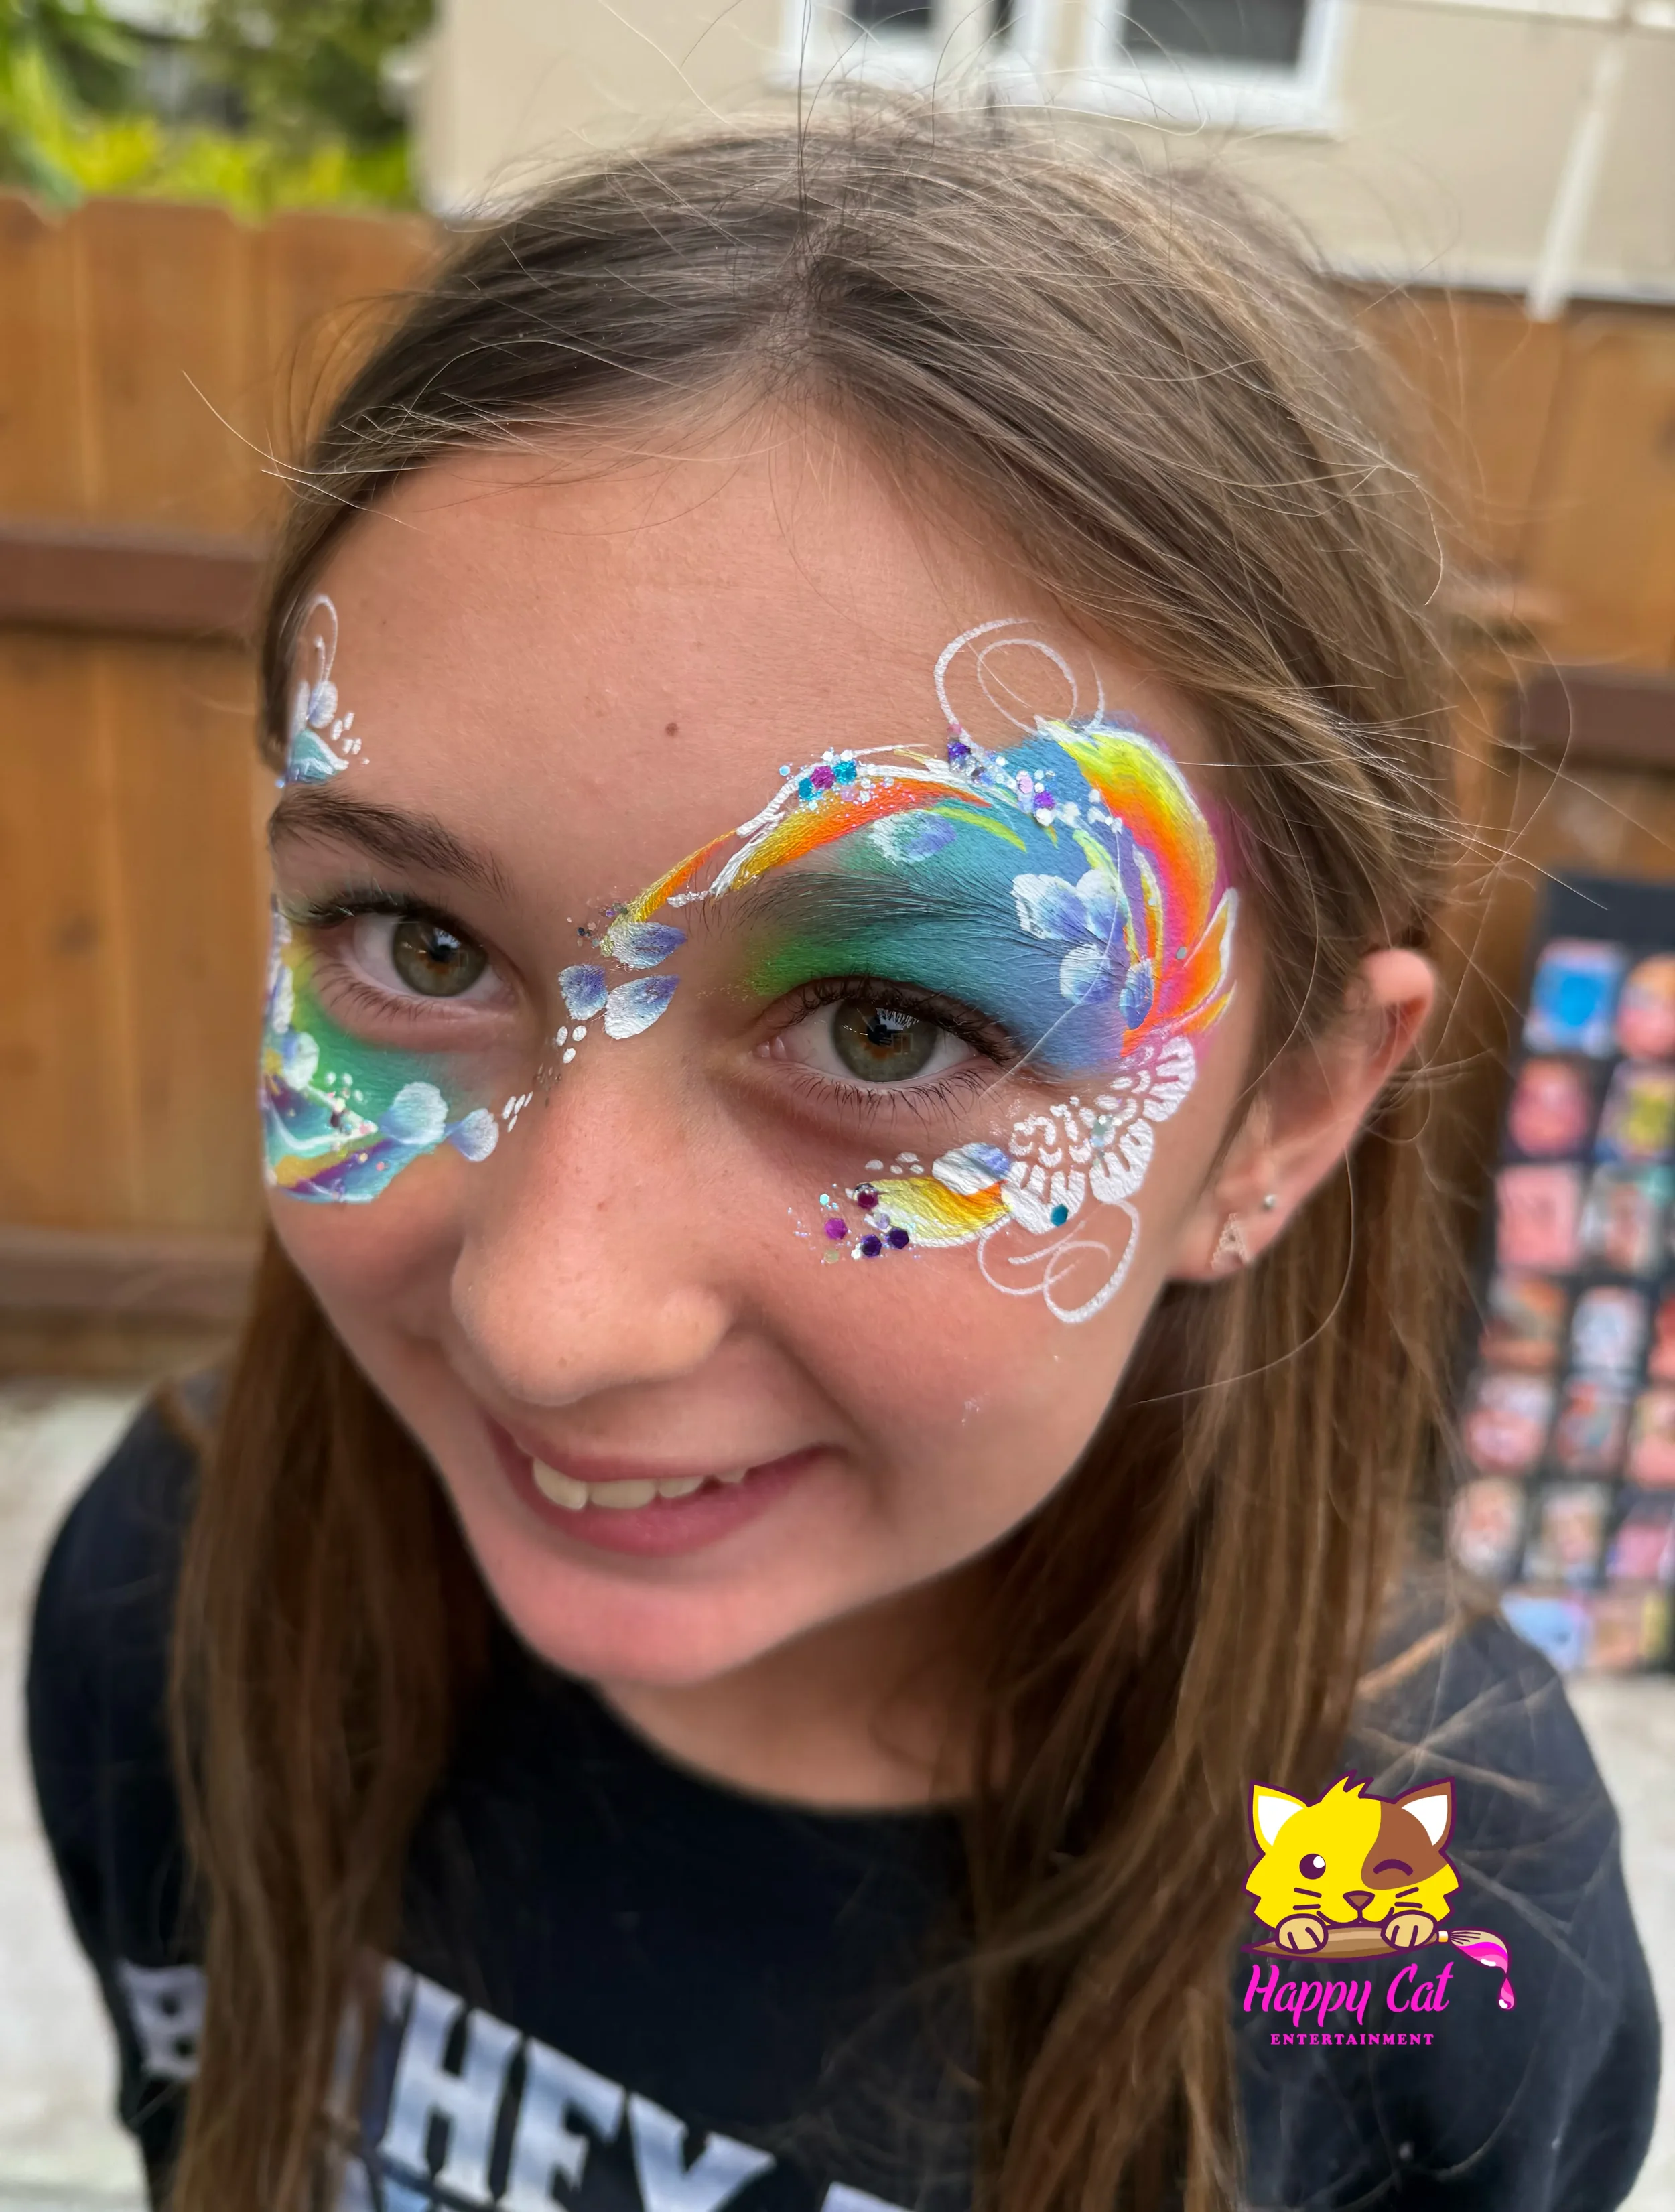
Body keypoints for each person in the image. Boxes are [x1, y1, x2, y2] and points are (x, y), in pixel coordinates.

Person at [28, 107, 1657, 2212]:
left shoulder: (1412, 1904)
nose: (547, 1318)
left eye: (890, 1026)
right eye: (420, 944)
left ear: (1284, 1116)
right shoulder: (176, 1608)